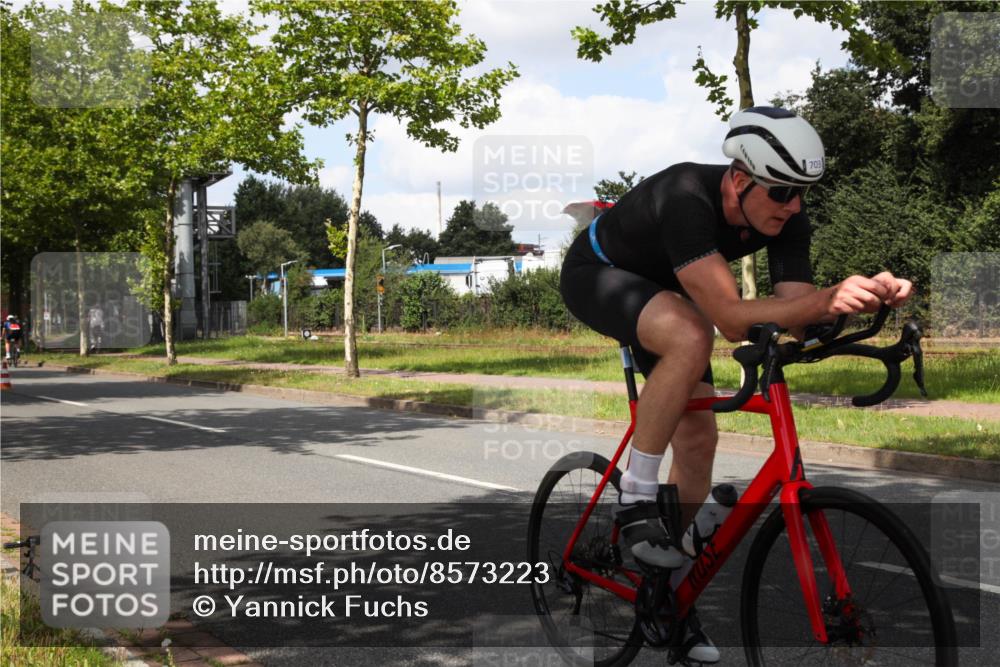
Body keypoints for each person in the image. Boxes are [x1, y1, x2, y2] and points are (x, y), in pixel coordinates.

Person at [560, 106, 912, 662]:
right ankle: (634, 499)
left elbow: (796, 308)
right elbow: (727, 314)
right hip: (600, 275)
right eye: (782, 193)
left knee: (699, 439)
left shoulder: (789, 215)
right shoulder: (686, 196)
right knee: (690, 330)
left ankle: (672, 603)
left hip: (672, 295)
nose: (794, 206)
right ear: (741, 179)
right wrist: (820, 299)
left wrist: (861, 297)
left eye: (802, 194)